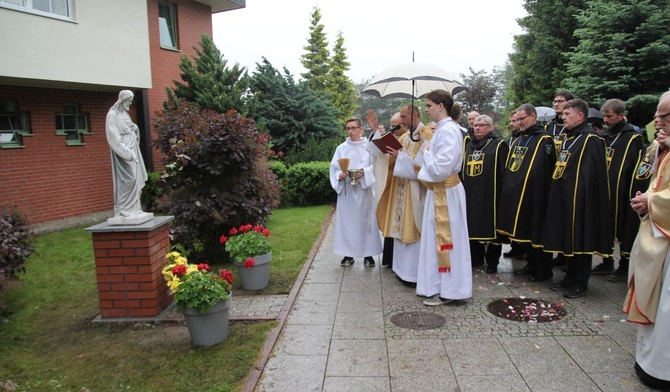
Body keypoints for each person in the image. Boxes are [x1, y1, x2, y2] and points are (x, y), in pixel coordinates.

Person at [395, 89, 472, 306]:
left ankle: (449, 290)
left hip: (445, 193)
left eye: (428, 105)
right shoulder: (442, 130)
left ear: (441, 106)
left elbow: (440, 169)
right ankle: (437, 286)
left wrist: (426, 151)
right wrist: (422, 149)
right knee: (434, 239)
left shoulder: (448, 131)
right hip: (439, 192)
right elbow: (426, 163)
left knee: (445, 241)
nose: (426, 109)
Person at [542, 99, 612, 298]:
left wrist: (580, 199)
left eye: (567, 114)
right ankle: (569, 277)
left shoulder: (591, 139)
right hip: (564, 198)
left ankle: (580, 282)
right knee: (568, 240)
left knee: (582, 241)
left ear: (580, 116)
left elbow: (590, 176)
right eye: (563, 114)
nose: (563, 117)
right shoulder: (569, 138)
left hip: (581, 202)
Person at [624, 92, 670, 390]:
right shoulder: (661, 147)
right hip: (658, 235)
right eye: (658, 116)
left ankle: (662, 368)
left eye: (664, 117)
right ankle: (649, 362)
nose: (658, 121)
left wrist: (651, 201)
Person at [369, 106, 432, 286]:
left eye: (404, 116)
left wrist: (401, 157)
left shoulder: (426, 135)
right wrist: (375, 132)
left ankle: (413, 274)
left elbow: (425, 166)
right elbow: (386, 160)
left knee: (412, 231)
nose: (402, 121)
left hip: (415, 191)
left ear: (414, 115)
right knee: (399, 231)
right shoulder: (406, 137)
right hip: (400, 191)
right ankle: (401, 270)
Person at [497, 104, 555, 282]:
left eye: (522, 119)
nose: (519, 122)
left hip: (535, 194)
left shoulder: (544, 139)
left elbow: (544, 168)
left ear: (533, 117)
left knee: (536, 232)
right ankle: (531, 265)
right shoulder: (520, 139)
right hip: (517, 193)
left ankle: (543, 270)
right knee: (524, 232)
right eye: (517, 119)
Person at [591, 99, 645, 282]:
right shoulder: (604, 136)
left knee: (624, 228)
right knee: (604, 225)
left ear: (621, 116)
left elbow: (636, 168)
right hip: (603, 190)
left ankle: (624, 265)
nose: (605, 120)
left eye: (610, 116)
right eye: (604, 116)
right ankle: (606, 261)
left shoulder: (632, 138)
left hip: (622, 191)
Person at [329, 117, 383, 267]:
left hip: (364, 190)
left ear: (361, 129)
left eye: (353, 128)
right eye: (348, 128)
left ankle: (368, 254)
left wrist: (364, 171)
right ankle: (348, 254)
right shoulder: (341, 148)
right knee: (347, 224)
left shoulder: (369, 147)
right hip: (347, 193)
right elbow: (334, 168)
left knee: (367, 223)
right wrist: (338, 176)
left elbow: (377, 165)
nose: (351, 131)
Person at [461, 114, 509, 273]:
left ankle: (493, 262)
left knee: (492, 229)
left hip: (490, 193)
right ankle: (476, 258)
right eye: (476, 125)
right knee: (472, 226)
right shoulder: (468, 144)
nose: (478, 128)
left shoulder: (498, 144)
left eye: (482, 125)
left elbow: (503, 171)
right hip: (471, 192)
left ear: (490, 127)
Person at [366, 111, 405, 269]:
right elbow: (378, 156)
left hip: (406, 186)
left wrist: (399, 156)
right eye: (392, 125)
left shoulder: (410, 138)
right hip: (392, 185)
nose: (394, 129)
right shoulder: (393, 138)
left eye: (397, 125)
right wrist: (375, 130)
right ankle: (390, 257)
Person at [105, 90, 151, 223]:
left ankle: (135, 209)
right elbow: (113, 137)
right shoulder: (112, 115)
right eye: (129, 101)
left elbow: (130, 127)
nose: (130, 104)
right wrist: (126, 152)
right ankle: (123, 210)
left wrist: (135, 129)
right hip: (123, 151)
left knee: (136, 179)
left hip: (132, 148)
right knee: (128, 178)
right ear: (122, 100)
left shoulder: (125, 114)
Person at [502, 110, 526, 260]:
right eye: (510, 121)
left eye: (515, 121)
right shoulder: (511, 141)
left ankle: (522, 249)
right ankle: (515, 247)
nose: (512, 123)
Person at [545, 91, 575, 157]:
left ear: (570, 103)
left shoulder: (573, 126)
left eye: (560, 101)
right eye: (555, 102)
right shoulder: (548, 127)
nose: (556, 104)